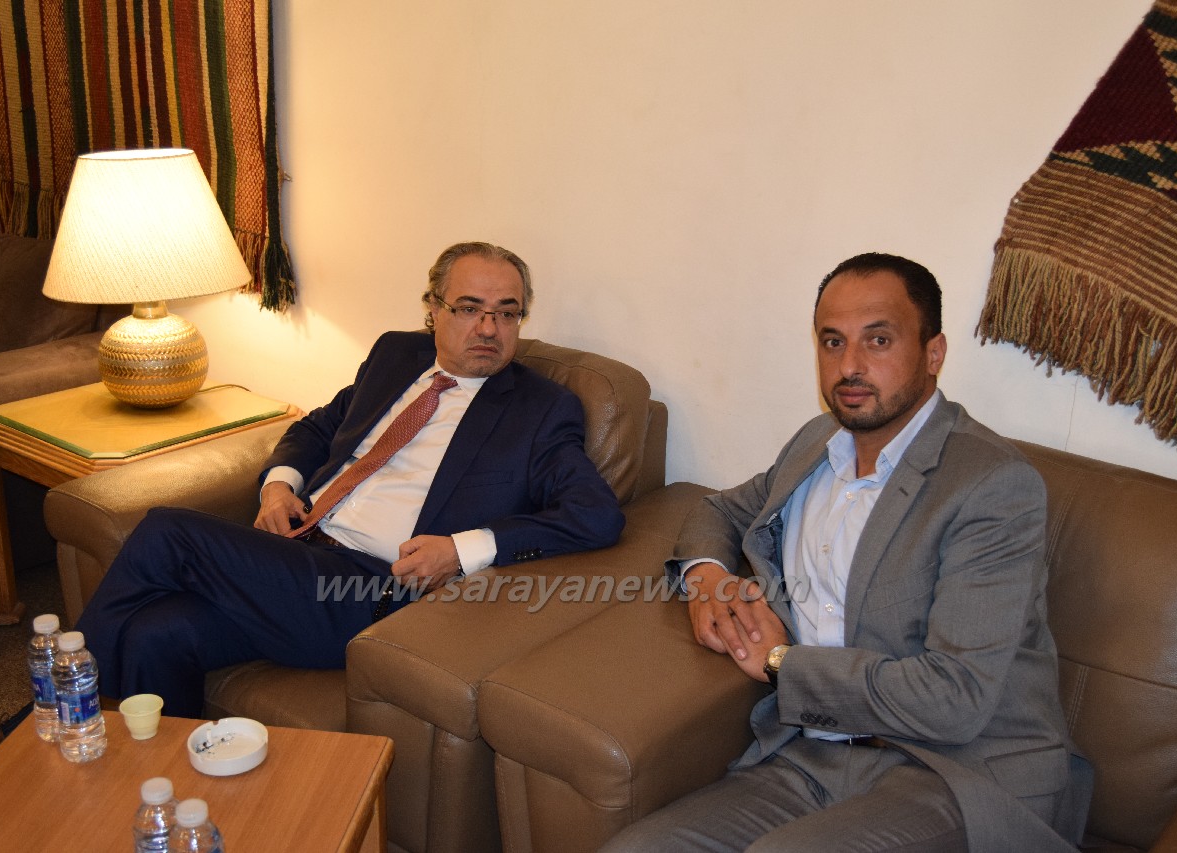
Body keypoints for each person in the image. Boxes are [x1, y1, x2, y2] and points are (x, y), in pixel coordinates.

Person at [603, 253, 1090, 853]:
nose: (850, 366)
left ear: (933, 353)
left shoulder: (991, 485)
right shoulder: (818, 444)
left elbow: (954, 699)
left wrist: (780, 664)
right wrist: (707, 581)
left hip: (956, 771)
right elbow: (720, 511)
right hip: (813, 756)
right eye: (833, 342)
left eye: (878, 340)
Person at [74, 241, 625, 717]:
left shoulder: (541, 410)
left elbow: (595, 515)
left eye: (507, 313)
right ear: (433, 310)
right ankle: (142, 778)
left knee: (168, 532)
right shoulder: (396, 355)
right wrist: (279, 484)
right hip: (298, 552)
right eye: (469, 308)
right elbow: (319, 426)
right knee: (156, 634)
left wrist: (462, 549)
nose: (488, 328)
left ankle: (60, 702)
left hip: (366, 591)